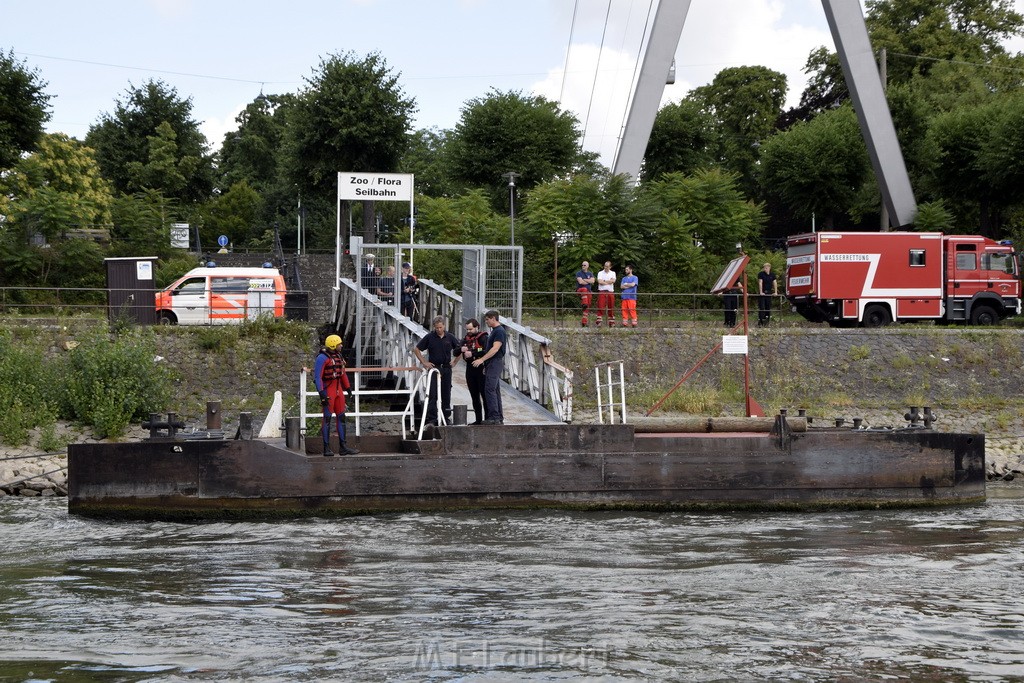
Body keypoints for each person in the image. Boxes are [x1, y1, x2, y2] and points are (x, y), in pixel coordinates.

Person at [313, 334, 358, 456]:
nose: (341, 346)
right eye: (339, 344)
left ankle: (343, 447)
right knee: (327, 418)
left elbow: (342, 373)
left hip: (338, 390)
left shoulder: (338, 356)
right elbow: (317, 377)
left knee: (341, 418)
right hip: (329, 390)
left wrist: (348, 388)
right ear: (333, 345)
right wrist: (321, 393)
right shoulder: (322, 358)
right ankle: (326, 448)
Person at [413, 316, 461, 425]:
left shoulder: (450, 337)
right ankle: (432, 418)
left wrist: (455, 362)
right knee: (432, 393)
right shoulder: (430, 337)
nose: (439, 330)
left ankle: (446, 417)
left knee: (446, 393)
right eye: (436, 328)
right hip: (434, 368)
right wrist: (424, 362)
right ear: (434, 327)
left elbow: (459, 349)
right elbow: (416, 349)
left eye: (440, 327)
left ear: (444, 325)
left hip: (447, 368)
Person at [472, 310, 506, 424]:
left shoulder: (499, 331)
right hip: (493, 362)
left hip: (495, 362)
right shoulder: (495, 331)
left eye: (487, 319)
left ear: (493, 318)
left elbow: (495, 348)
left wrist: (482, 359)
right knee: (495, 390)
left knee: (489, 389)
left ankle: (493, 417)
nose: (486, 322)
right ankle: (498, 417)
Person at [460, 318, 488, 424]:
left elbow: (485, 350)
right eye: (467, 330)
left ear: (477, 327)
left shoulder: (483, 337)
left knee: (484, 394)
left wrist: (473, 353)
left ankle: (488, 418)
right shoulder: (465, 339)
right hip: (470, 368)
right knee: (474, 395)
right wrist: (461, 349)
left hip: (481, 368)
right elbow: (455, 351)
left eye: (470, 329)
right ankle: (478, 419)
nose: (468, 332)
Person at [596, 261, 617, 327]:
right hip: (602, 291)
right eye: (605, 266)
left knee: (611, 306)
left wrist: (604, 281)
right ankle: (599, 322)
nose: (605, 267)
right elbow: (600, 282)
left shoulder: (613, 273)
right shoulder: (600, 273)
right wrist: (608, 281)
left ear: (610, 267)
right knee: (600, 306)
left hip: (610, 291)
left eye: (607, 266)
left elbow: (613, 281)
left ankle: (611, 322)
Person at [575, 261, 595, 327]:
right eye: (582, 265)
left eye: (584, 265)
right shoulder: (578, 273)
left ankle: (584, 322)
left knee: (587, 307)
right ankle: (584, 304)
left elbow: (593, 281)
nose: (583, 266)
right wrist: (588, 281)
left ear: (587, 266)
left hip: (588, 292)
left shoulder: (590, 273)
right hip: (580, 290)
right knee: (584, 289)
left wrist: (584, 280)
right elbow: (580, 282)